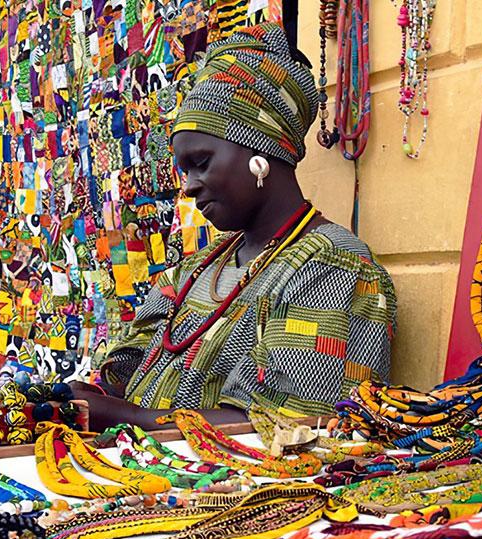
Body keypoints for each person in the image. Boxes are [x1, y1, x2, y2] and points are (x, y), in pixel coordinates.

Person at [74, 22, 397, 431]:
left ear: (261, 151)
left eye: (201, 163)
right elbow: (128, 369)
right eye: (184, 170)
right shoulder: (197, 268)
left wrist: (128, 418)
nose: (189, 186)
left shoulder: (332, 267)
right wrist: (84, 397)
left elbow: (286, 426)